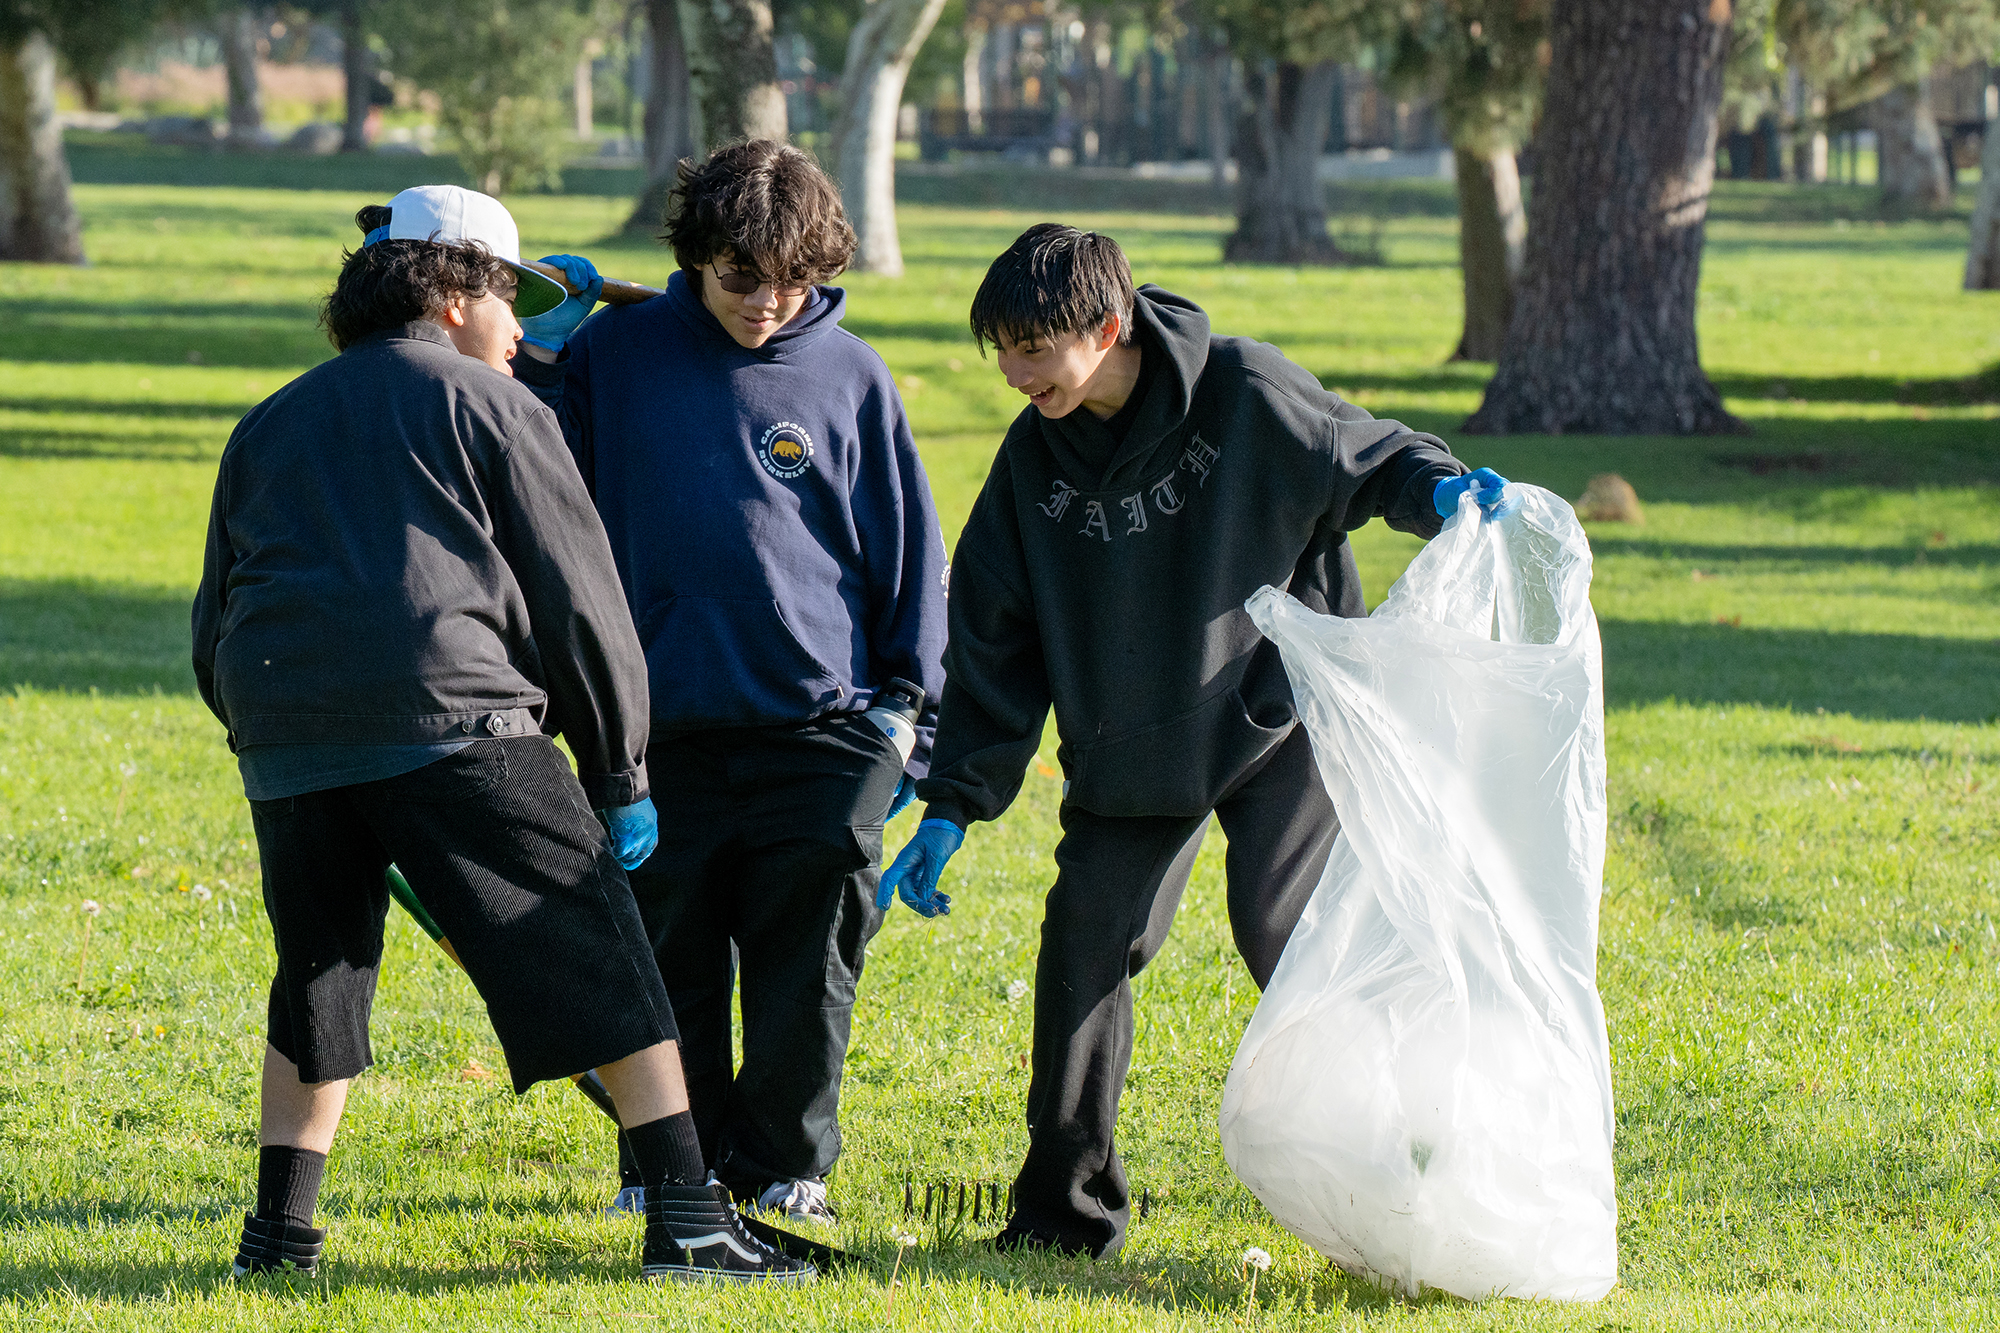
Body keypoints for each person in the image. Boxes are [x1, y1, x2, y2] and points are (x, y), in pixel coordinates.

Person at [192, 185, 813, 1285]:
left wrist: (281, 737)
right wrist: (620, 769)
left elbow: (214, 623)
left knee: (320, 974)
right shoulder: (498, 409)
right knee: (603, 947)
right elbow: (580, 603)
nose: (522, 328)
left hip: (284, 737)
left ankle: (276, 1239)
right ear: (450, 297)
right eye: (509, 300)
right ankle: (688, 1220)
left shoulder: (270, 419)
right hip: (456, 714)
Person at [877, 223, 1513, 1259]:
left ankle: (1414, 1168)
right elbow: (994, 637)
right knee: (1080, 951)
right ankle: (1059, 1215)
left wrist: (1435, 492)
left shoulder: (1247, 393)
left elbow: (1368, 457)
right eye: (1001, 348)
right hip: (1131, 750)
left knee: (1295, 943)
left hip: (1274, 723)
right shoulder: (1031, 462)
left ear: (1108, 323)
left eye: (1033, 345)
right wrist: (954, 801)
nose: (1013, 371)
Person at [510, 142, 948, 1226]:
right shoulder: (618, 355)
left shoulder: (851, 377)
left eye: (790, 281)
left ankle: (791, 1164)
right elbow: (535, 477)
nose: (765, 303)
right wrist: (538, 365)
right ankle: (670, 1167)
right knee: (666, 963)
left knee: (810, 961)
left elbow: (907, 559)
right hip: (656, 735)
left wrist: (908, 725)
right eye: (738, 277)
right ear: (693, 258)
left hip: (827, 729)